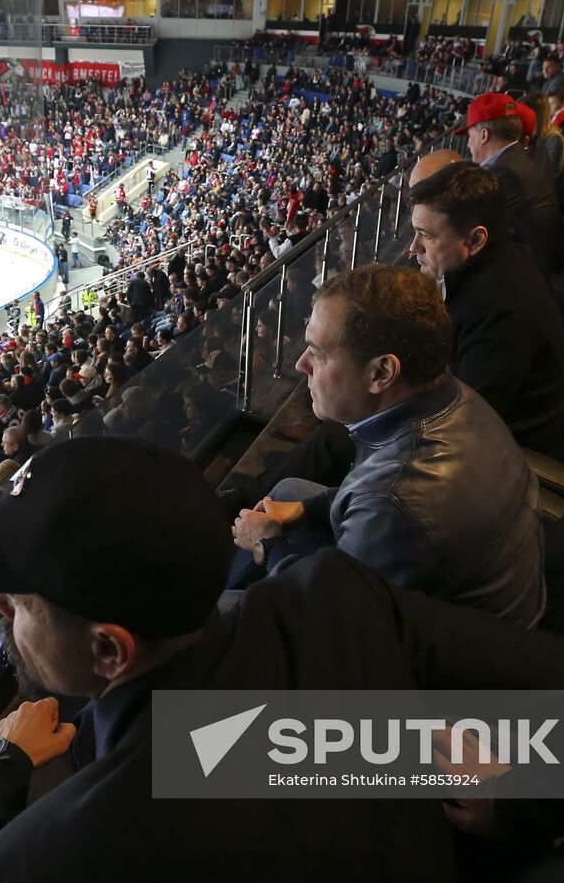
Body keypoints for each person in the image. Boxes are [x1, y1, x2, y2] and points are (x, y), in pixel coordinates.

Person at [0, 436, 564, 883]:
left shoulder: (93, 833)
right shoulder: (333, 592)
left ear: (110, 649)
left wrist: (2, 760)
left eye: (19, 597)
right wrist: (519, 803)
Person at [230, 265, 546, 628]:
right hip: (441, 578)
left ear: (381, 373)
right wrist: (304, 510)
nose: (302, 365)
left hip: (437, 659)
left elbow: (332, 619)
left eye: (318, 353)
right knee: (289, 492)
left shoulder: (393, 502)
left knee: (228, 614)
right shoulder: (449, 393)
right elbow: (371, 489)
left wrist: (267, 547)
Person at [405, 161, 564, 453]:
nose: (413, 247)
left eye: (427, 235)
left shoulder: (502, 314)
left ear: (476, 239)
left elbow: (462, 424)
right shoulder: (506, 258)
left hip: (509, 456)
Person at [456, 92, 562, 270]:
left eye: (470, 137)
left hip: (527, 270)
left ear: (484, 135)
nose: (468, 145)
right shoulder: (514, 159)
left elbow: (467, 223)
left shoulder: (504, 173)